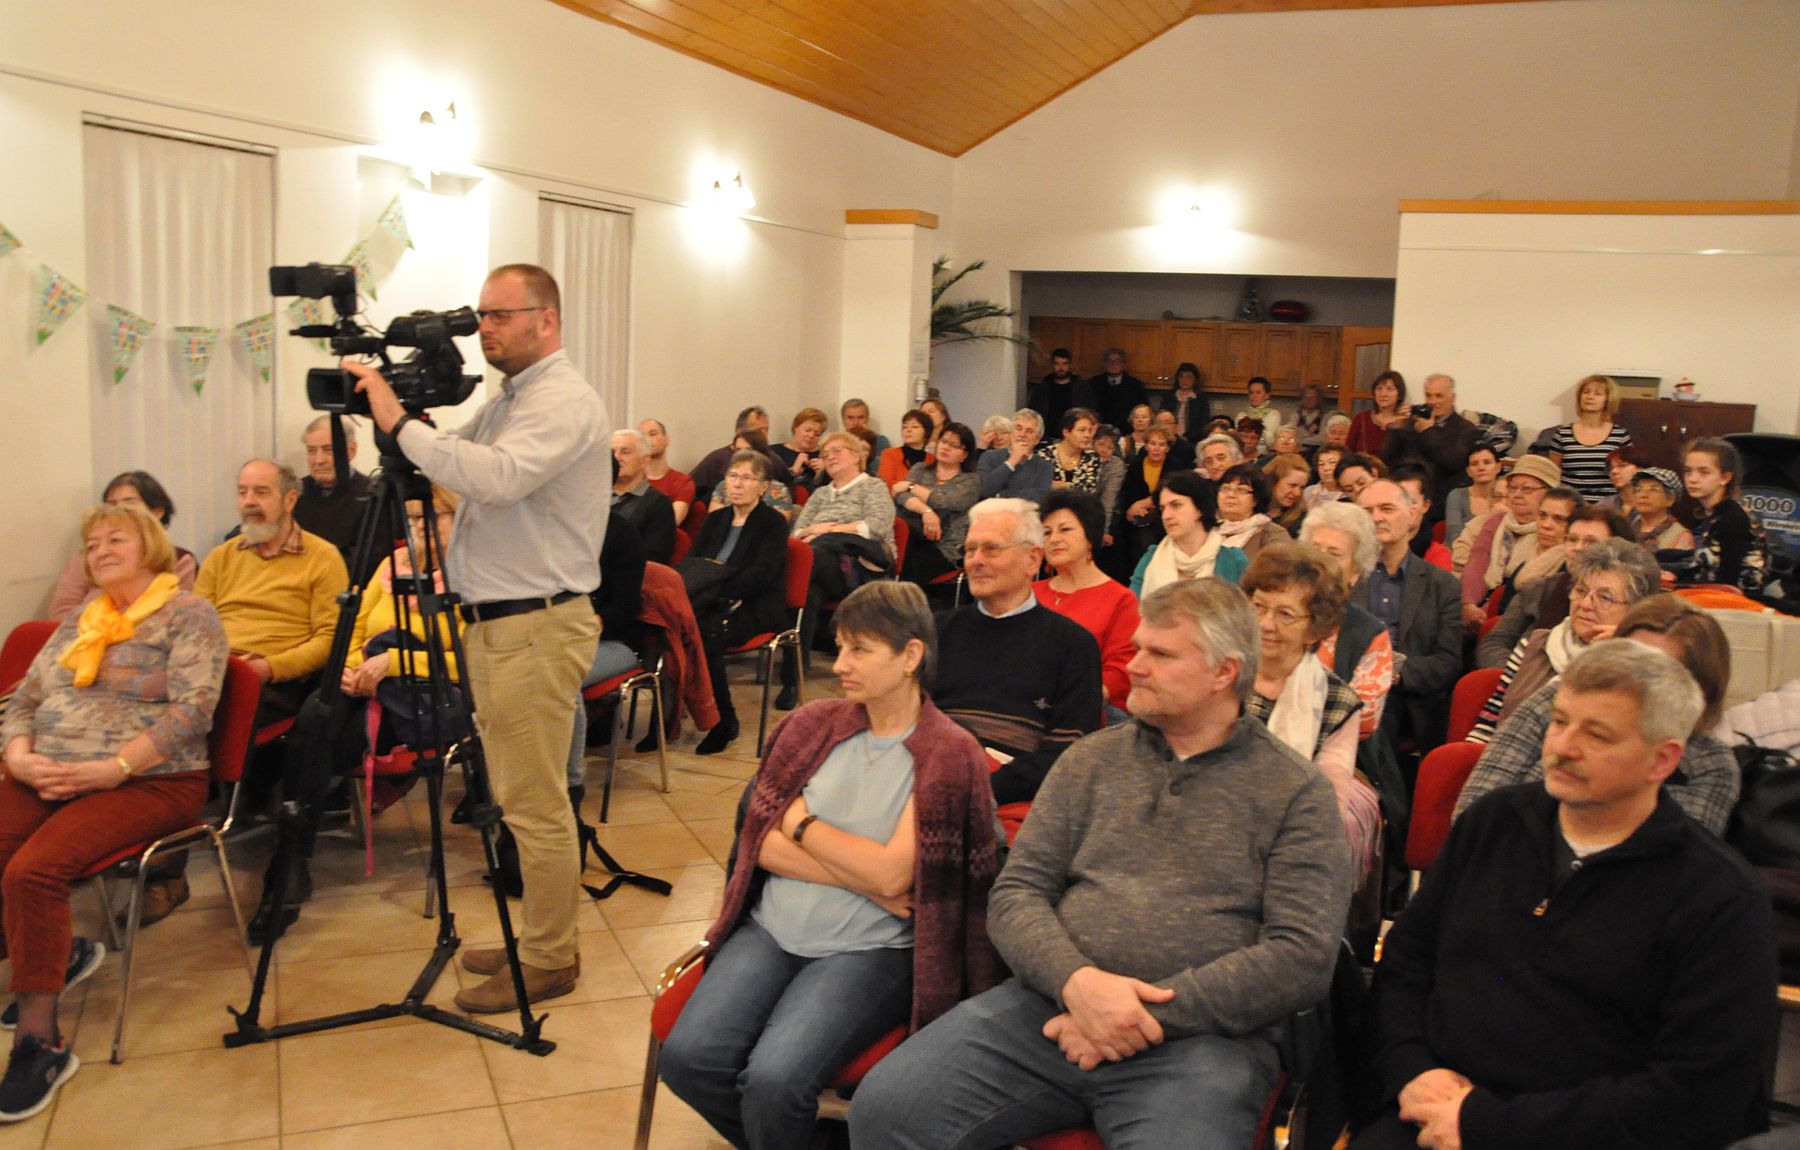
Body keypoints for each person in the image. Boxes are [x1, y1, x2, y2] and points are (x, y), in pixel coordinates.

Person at [851, 578, 1352, 1150]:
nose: (1133, 666)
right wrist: (1076, 983)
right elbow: (1017, 893)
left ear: (1224, 673)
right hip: (1045, 1010)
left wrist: (1138, 1015)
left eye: (1160, 654)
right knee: (888, 1108)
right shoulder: (1091, 760)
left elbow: (1301, 955)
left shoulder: (1296, 791)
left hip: (1205, 1043)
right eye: (1137, 648)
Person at [1354, 640, 1776, 1150]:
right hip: (1432, 1109)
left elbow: (1698, 1092)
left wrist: (1489, 1125)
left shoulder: (1718, 897)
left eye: (1597, 734)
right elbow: (1407, 963)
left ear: (1662, 760)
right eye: (1559, 721)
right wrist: (1411, 1069)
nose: (1563, 747)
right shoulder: (1494, 823)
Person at [346, 262, 608, 1014]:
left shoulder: (562, 400)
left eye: (500, 315)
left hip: (534, 624)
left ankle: (552, 958)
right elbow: (452, 467)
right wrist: (406, 428)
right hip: (503, 625)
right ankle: (539, 938)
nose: (484, 329)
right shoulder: (513, 400)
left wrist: (398, 420)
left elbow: (493, 478)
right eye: (482, 315)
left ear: (546, 320)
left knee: (534, 804)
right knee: (517, 795)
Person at [658, 581, 1002, 1150]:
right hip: (772, 928)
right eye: (840, 647)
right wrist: (864, 879)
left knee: (774, 1082)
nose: (840, 664)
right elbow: (758, 844)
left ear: (911, 655)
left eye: (859, 650)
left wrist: (801, 825)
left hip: (870, 949)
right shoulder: (812, 725)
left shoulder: (947, 751)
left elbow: (892, 876)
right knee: (687, 1060)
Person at [0, 503, 226, 1119]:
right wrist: (19, 757)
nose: (100, 550)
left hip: (150, 779)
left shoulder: (189, 613)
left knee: (32, 871)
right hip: (50, 769)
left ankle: (40, 1042)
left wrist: (116, 767)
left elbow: (194, 711)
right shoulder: (82, 618)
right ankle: (54, 953)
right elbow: (23, 700)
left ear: (149, 544)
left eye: (115, 539)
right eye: (92, 543)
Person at [246, 485, 469, 944]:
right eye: (413, 520)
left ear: (459, 516)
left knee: (321, 736)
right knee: (318, 713)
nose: (420, 529)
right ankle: (290, 864)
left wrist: (396, 663)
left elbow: (471, 659)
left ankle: (288, 866)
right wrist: (352, 669)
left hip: (422, 696)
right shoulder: (391, 567)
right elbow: (354, 630)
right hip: (367, 682)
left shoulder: (475, 573)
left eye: (432, 518)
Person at [1458, 595, 1740, 835]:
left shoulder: (1708, 763)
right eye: (1628, 658)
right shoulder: (1555, 700)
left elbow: (1674, 861)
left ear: (1697, 687)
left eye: (1656, 670)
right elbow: (1476, 809)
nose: (1634, 678)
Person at [932, 498, 1103, 809]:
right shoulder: (936, 631)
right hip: (928, 780)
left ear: (1032, 560)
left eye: (991, 549)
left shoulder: (1073, 645)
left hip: (1010, 801)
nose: (975, 561)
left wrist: (981, 789)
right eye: (970, 550)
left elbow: (1069, 751)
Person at [1240, 543, 1381, 880]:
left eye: (1285, 615)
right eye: (1258, 607)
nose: (1265, 623)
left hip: (1287, 840)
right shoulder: (1216, 674)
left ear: (1315, 628)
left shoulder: (1337, 701)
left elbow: (1327, 798)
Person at [1467, 538, 1661, 745]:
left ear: (1635, 611)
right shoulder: (1535, 644)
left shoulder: (1642, 671)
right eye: (1581, 590)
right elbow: (1488, 726)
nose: (1585, 604)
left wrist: (1617, 654)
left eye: (1605, 598)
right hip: (1507, 755)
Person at [686, 451, 792, 755]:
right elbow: (694, 563)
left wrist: (717, 584)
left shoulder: (772, 523)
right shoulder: (715, 519)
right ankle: (667, 718)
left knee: (705, 635)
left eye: (747, 478)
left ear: (763, 486)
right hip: (711, 599)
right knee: (671, 629)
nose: (737, 484)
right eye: (732, 476)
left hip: (754, 604)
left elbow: (762, 575)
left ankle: (723, 721)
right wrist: (711, 586)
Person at [1354, 478, 1464, 753]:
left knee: (1382, 712)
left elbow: (1447, 662)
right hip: (1348, 687)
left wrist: (1391, 672)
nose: (1376, 518)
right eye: (1367, 511)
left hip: (1407, 699)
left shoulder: (1442, 585)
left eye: (1387, 509)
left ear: (1412, 515)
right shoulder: (1344, 576)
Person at [1475, 502, 1631, 669]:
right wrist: (1520, 674)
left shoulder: (1632, 598)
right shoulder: (1537, 590)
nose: (1577, 548)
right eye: (1572, 539)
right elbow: (1494, 643)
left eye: (1591, 542)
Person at [1033, 490, 1140, 719]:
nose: (1054, 539)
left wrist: (1072, 702)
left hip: (1089, 710)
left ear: (1090, 537)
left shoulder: (1121, 599)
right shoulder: (1030, 593)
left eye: (1065, 529)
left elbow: (1120, 672)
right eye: (1047, 532)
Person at [1300, 502, 1398, 742]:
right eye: (1314, 548)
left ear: (1355, 572)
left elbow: (1364, 718)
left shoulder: (1369, 632)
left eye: (1333, 554)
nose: (1319, 561)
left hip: (1334, 746)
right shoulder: (1267, 610)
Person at [47, 472, 197, 622]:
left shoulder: (180, 563)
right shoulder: (88, 558)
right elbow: (61, 613)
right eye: (112, 505)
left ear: (157, 512)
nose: (101, 552)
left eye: (116, 540)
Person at [794, 431, 897, 619]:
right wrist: (813, 529)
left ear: (856, 456)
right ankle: (799, 639)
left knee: (808, 559)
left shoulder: (873, 486)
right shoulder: (820, 494)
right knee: (810, 592)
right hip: (825, 565)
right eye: (825, 454)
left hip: (861, 565)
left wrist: (829, 531)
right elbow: (796, 533)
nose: (830, 457)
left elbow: (876, 527)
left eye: (837, 451)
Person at [1459, 453, 1560, 633]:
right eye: (1512, 487)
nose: (1517, 495)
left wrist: (1489, 611)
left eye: (1527, 489)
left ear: (1549, 493)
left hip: (1521, 607)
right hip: (1484, 598)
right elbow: (1477, 563)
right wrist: (1468, 604)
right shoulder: (1497, 521)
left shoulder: (1552, 529)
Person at [1380, 372, 1479, 527]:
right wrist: (1396, 428)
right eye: (1428, 395)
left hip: (1439, 505)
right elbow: (1388, 458)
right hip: (1405, 499)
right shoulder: (1412, 423)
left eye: (1439, 396)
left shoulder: (1465, 428)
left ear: (1452, 398)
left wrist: (1429, 431)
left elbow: (1452, 462)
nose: (1432, 401)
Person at [1679, 436, 1769, 594]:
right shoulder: (1707, 513)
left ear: (1725, 477)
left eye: (1704, 472)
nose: (1692, 479)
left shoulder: (1732, 517)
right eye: (1688, 471)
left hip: (1737, 599)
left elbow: (1728, 580)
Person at [893, 420, 980, 584]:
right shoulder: (920, 469)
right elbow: (901, 496)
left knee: (911, 563)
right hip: (912, 538)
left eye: (954, 445)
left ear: (964, 455)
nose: (946, 447)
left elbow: (945, 501)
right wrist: (926, 512)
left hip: (945, 547)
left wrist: (910, 486)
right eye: (944, 442)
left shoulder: (970, 481)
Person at [293, 414, 375, 575]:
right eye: (311, 451)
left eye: (328, 450)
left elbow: (369, 560)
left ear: (351, 451)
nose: (319, 460)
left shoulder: (372, 494)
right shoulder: (295, 493)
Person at [1130, 470, 1220, 598]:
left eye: (1176, 505)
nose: (1166, 516)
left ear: (1200, 507)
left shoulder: (1231, 559)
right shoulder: (1151, 557)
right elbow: (1133, 607)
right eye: (1162, 509)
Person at [1548, 374, 1633, 504]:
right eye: (1586, 392)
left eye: (1597, 393)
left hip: (1608, 505)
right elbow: (1552, 474)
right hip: (1570, 505)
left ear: (1608, 400)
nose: (1590, 397)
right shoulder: (1563, 433)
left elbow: (1628, 474)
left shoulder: (1620, 435)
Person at [692, 406, 794, 501]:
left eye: (765, 430)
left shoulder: (771, 458)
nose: (763, 435)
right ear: (739, 431)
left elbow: (788, 483)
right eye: (757, 430)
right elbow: (694, 487)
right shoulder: (717, 458)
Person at [610, 427, 677, 565]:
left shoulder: (658, 504)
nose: (617, 458)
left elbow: (654, 558)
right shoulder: (595, 498)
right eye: (612, 453)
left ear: (645, 460)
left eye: (625, 452)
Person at [1117, 426, 1179, 560]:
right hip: (1138, 517)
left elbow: (1175, 493)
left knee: (1146, 533)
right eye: (1152, 443)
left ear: (1168, 448)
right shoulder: (1135, 466)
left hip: (1167, 513)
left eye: (1162, 444)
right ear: (1146, 446)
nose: (1156, 448)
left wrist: (1146, 503)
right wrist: (1133, 509)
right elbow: (1127, 495)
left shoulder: (1176, 466)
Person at [1387, 463, 1455, 570]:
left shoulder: (1436, 555)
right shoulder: (1372, 548)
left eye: (1411, 502)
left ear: (1425, 505)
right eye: (1394, 503)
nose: (1403, 509)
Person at [977, 409, 1053, 503]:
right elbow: (984, 490)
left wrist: (1000, 495)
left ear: (1037, 439)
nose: (1022, 434)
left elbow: (1040, 496)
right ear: (1011, 432)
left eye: (1029, 431)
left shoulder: (1044, 466)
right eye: (1018, 428)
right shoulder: (989, 456)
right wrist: (1012, 461)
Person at [1442, 442, 1500, 553]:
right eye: (1474, 464)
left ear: (1498, 467)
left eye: (1487, 462)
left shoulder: (1507, 495)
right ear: (1469, 471)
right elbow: (1454, 536)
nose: (1481, 468)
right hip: (1459, 554)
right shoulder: (1457, 495)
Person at [638, 418, 695, 526]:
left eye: (653, 434)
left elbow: (670, 523)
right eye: (642, 436)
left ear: (666, 440)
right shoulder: (631, 480)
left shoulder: (683, 482)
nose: (647, 439)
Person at [1028, 347, 1093, 435]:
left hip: (1073, 434)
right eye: (1057, 364)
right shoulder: (1044, 387)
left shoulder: (1081, 388)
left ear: (1070, 365)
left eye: (1064, 364)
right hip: (1047, 434)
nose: (1061, 368)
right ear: (1052, 365)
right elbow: (1034, 412)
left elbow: (1089, 413)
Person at [1037, 407, 1102, 495]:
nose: (1087, 435)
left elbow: (1087, 492)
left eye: (1090, 431)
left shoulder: (1092, 457)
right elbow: (1039, 488)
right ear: (1066, 432)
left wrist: (1063, 485)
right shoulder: (1044, 455)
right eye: (1082, 430)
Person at [1628, 466, 1694, 551]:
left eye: (1653, 489)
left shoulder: (1680, 536)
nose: (1643, 495)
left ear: (1670, 499)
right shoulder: (1625, 528)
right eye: (1638, 489)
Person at [1347, 370, 1407, 456]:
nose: (1383, 394)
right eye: (1379, 388)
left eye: (1390, 389)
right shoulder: (1361, 419)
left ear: (1399, 395)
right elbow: (1348, 451)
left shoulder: (1406, 422)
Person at [1086, 347, 1147, 430]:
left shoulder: (1136, 385)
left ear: (1124, 364)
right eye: (1110, 361)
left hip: (1126, 430)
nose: (1114, 364)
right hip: (1099, 429)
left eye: (1118, 361)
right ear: (1105, 364)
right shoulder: (1093, 383)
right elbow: (1089, 410)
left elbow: (1142, 409)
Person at [772, 406, 828, 490]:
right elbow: (767, 487)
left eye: (817, 434)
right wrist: (792, 472)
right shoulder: (774, 453)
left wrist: (825, 472)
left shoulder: (825, 454)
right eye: (807, 430)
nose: (811, 435)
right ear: (795, 427)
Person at [877, 409, 933, 489]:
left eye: (915, 427)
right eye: (905, 427)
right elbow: (886, 484)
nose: (908, 430)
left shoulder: (932, 459)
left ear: (926, 432)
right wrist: (912, 487)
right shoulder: (890, 454)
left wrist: (907, 486)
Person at [1156, 361, 1209, 441]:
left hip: (1193, 440)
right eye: (1181, 377)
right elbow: (1161, 418)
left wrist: (1190, 437)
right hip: (1168, 437)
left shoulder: (1201, 399)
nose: (1184, 380)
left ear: (1195, 380)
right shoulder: (1168, 397)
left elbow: (1203, 423)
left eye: (1189, 377)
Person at [840, 397, 892, 477]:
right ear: (843, 420)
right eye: (850, 418)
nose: (856, 422)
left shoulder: (880, 441)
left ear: (867, 419)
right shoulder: (836, 443)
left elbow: (886, 471)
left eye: (860, 417)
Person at [1090, 423, 1126, 538]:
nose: (1104, 450)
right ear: (1092, 442)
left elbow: (1108, 499)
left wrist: (1104, 531)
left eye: (1110, 448)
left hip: (1101, 510)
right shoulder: (1082, 457)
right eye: (1101, 444)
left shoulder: (1116, 465)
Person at [1263, 452, 1310, 535]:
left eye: (1302, 487)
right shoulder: (1250, 510)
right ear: (1273, 481)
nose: (1298, 493)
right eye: (1292, 485)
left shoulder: (1303, 521)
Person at [1599, 444, 1648, 512]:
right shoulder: (1606, 505)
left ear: (1640, 469)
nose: (1614, 471)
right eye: (1610, 468)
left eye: (1622, 466)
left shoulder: (1653, 503)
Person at [1303, 443, 1347, 509]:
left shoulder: (1350, 494)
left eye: (1332, 462)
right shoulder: (1309, 492)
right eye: (1321, 464)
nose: (1326, 468)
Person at [1237, 375, 1281, 441]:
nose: (1254, 396)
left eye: (1258, 392)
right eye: (1251, 392)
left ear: (1267, 395)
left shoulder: (1273, 414)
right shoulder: (1242, 415)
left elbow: (1269, 438)